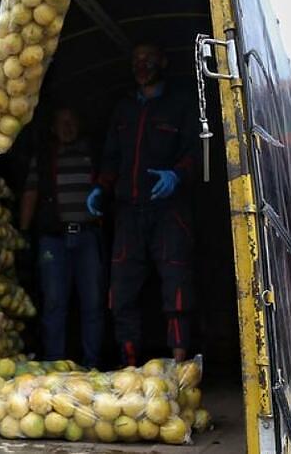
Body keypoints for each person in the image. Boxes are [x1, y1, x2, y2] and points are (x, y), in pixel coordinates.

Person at [87, 43, 198, 366]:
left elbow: (196, 152)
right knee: (121, 291)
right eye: (136, 60)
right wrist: (99, 188)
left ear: (163, 61)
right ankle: (130, 366)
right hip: (128, 212)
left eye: (149, 59)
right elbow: (111, 158)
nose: (142, 65)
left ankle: (180, 364)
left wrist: (177, 175)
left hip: (170, 212)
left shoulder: (180, 105)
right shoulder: (123, 110)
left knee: (176, 285)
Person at [20, 106, 104, 368]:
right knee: (54, 303)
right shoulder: (44, 158)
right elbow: (31, 194)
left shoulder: (92, 154)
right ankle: (54, 365)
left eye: (72, 122)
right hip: (54, 240)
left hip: (87, 237)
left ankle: (92, 365)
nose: (67, 127)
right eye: (62, 122)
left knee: (93, 303)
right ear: (53, 128)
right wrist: (22, 235)